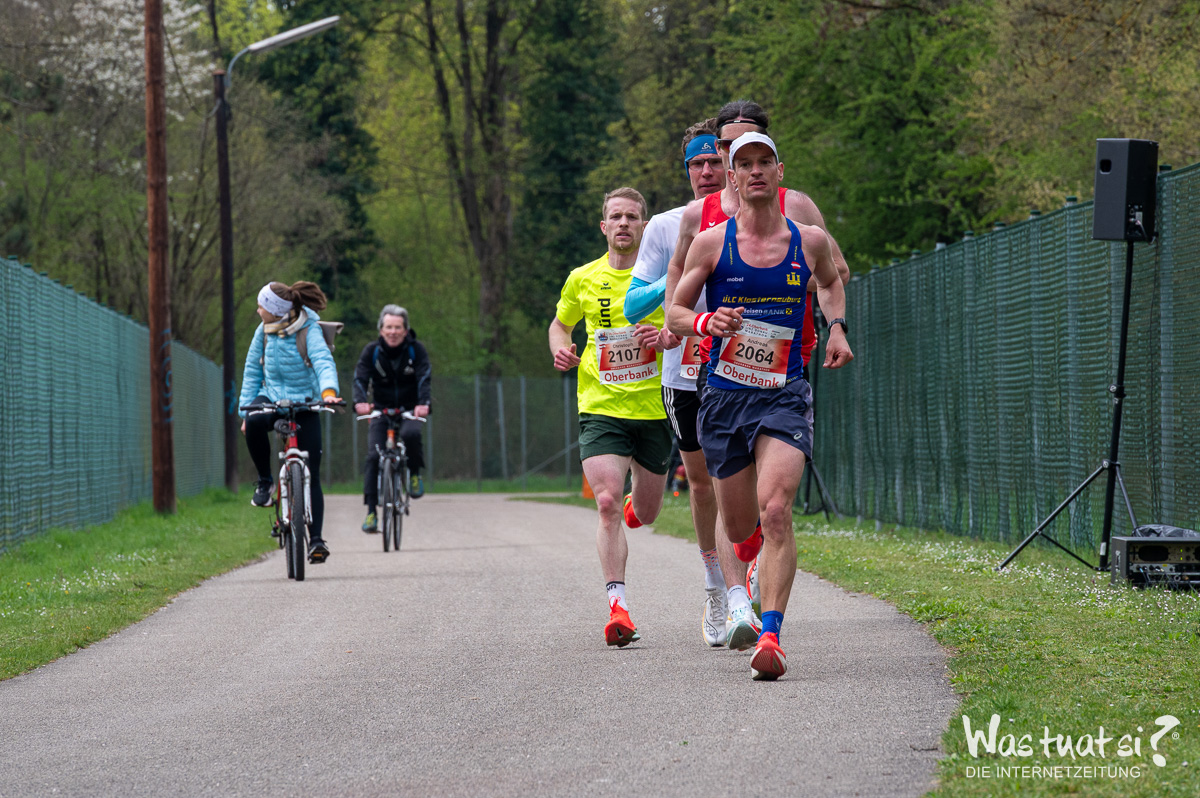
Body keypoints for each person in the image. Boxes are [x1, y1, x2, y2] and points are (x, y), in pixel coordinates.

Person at [668, 132, 853, 680]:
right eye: (743, 164)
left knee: (776, 512)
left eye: (763, 162)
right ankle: (745, 559)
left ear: (778, 171)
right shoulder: (711, 244)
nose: (754, 171)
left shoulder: (809, 240)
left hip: (784, 393)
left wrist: (836, 327)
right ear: (731, 177)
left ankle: (770, 635)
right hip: (724, 396)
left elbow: (831, 283)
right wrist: (707, 321)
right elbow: (675, 314)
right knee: (741, 528)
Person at [623, 118, 749, 650]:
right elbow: (633, 305)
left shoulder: (754, 215)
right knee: (701, 483)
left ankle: (742, 581)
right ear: (687, 170)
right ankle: (715, 583)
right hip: (684, 369)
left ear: (729, 164)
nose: (705, 171)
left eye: (714, 161)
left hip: (741, 363)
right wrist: (679, 274)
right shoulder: (668, 225)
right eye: (696, 164)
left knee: (739, 479)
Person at [549, 186, 671, 648]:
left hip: (655, 407)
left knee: (648, 513)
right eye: (616, 217)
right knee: (605, 503)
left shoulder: (665, 278)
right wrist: (561, 349)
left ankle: (634, 507)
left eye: (632, 217)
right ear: (604, 227)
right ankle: (617, 608)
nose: (623, 223)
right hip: (601, 406)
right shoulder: (582, 278)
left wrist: (664, 335)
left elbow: (685, 323)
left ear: (645, 226)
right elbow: (560, 324)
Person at [238, 280, 342, 564]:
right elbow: (252, 370)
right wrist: (245, 413)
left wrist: (328, 393)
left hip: (305, 403)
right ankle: (265, 482)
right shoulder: (262, 331)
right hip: (271, 397)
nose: (257, 310)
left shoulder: (308, 329)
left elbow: (322, 361)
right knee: (254, 421)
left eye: (261, 306)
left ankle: (316, 540)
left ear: (275, 310)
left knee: (312, 473)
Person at [353, 305, 432, 532]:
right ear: (381, 329)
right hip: (381, 410)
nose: (393, 332)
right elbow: (360, 378)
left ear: (406, 330)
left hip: (410, 410)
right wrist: (360, 402)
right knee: (373, 456)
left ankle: (414, 474)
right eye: (389, 327)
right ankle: (371, 513)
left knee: (411, 434)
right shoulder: (372, 351)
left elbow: (424, 377)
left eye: (398, 327)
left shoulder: (416, 350)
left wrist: (423, 404)